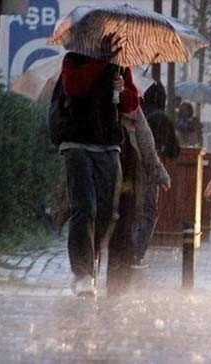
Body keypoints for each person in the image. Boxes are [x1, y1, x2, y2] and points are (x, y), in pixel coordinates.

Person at [59, 51, 139, 297]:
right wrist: (101, 63)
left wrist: (122, 88)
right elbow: (74, 87)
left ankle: (90, 255)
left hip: (109, 144)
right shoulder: (73, 59)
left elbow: (131, 104)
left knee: (107, 212)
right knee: (84, 208)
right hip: (77, 143)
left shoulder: (121, 64)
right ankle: (82, 272)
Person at [131, 83, 179, 268]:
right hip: (150, 168)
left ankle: (125, 249)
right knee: (149, 211)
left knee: (131, 209)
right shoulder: (162, 119)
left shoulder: (135, 112)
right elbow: (174, 151)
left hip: (128, 165)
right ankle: (137, 253)